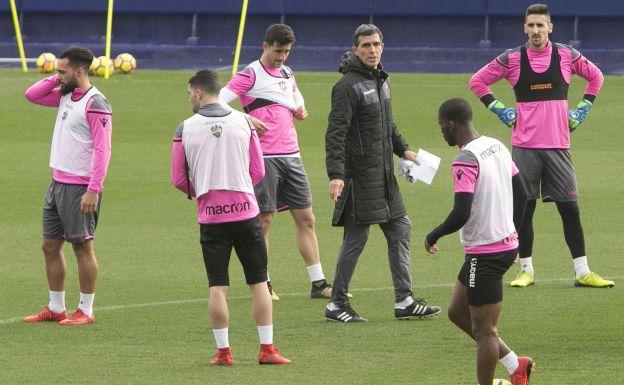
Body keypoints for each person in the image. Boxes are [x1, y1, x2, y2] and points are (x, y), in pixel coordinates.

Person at [469, 3, 614, 288]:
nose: (535, 30)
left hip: (558, 146)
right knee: (523, 210)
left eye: (540, 25)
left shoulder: (566, 55)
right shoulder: (511, 58)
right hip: (524, 147)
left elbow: (596, 76)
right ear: (524, 28)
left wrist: (582, 109)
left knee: (570, 209)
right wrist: (500, 109)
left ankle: (583, 271)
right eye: (530, 25)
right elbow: (477, 81)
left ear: (550, 27)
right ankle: (526, 271)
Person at [171, 69, 291, 365]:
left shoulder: (184, 128)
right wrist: (240, 189)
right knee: (259, 282)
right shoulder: (243, 121)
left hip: (210, 217)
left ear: (198, 93)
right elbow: (258, 170)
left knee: (217, 286)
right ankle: (267, 350)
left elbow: (178, 178)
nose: (189, 98)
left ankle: (224, 352)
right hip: (245, 213)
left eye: (189, 94)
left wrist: (201, 192)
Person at [324, 24, 441, 323]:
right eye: (365, 45)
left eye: (376, 44)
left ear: (383, 46)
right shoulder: (347, 87)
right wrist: (335, 174)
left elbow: (386, 125)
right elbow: (335, 134)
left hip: (385, 177)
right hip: (359, 178)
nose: (372, 50)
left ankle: (404, 300)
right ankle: (336, 303)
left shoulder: (382, 81)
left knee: (401, 229)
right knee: (356, 240)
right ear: (355, 50)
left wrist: (403, 150)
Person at [219, 23, 333, 301]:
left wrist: (300, 108)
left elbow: (295, 96)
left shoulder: (287, 72)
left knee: (307, 218)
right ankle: (264, 284)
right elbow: (219, 101)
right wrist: (246, 118)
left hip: (292, 155)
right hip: (264, 158)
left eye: (287, 51)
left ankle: (318, 284)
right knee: (264, 221)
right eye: (278, 51)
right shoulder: (250, 74)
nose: (282, 56)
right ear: (265, 46)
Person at [425, 98, 534, 385]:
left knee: (486, 331)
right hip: (501, 245)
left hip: (486, 253)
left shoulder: (465, 160)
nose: (442, 133)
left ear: (450, 126)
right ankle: (516, 364)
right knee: (456, 312)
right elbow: (522, 193)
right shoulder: (495, 145)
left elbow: (461, 211)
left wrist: (433, 234)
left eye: (441, 128)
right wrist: (513, 230)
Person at [23, 46, 112, 326]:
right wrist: (57, 79)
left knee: (82, 248)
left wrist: (93, 189)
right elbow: (31, 95)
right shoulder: (65, 95)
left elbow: (103, 150)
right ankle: (56, 307)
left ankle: (85, 309)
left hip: (80, 188)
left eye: (62, 71)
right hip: (57, 183)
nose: (56, 76)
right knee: (50, 246)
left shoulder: (96, 103)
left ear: (79, 71)